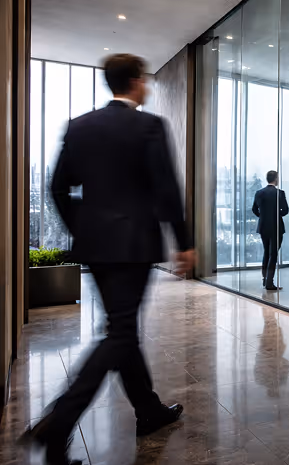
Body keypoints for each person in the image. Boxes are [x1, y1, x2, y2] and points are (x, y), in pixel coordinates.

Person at [21, 54, 195, 465]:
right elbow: (167, 189)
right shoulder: (149, 126)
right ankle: (58, 423)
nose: (147, 86)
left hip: (96, 246)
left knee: (122, 327)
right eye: (145, 79)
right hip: (134, 246)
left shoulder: (80, 126)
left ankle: (148, 410)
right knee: (119, 333)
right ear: (134, 81)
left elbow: (58, 188)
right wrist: (184, 242)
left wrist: (84, 228)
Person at [252, 170, 288, 290]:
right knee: (273, 254)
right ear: (276, 179)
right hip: (276, 226)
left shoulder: (259, 193)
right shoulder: (280, 193)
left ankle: (265, 279)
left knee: (266, 252)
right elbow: (285, 210)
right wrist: (276, 215)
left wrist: (263, 216)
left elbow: (254, 209)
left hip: (263, 226)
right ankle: (269, 282)